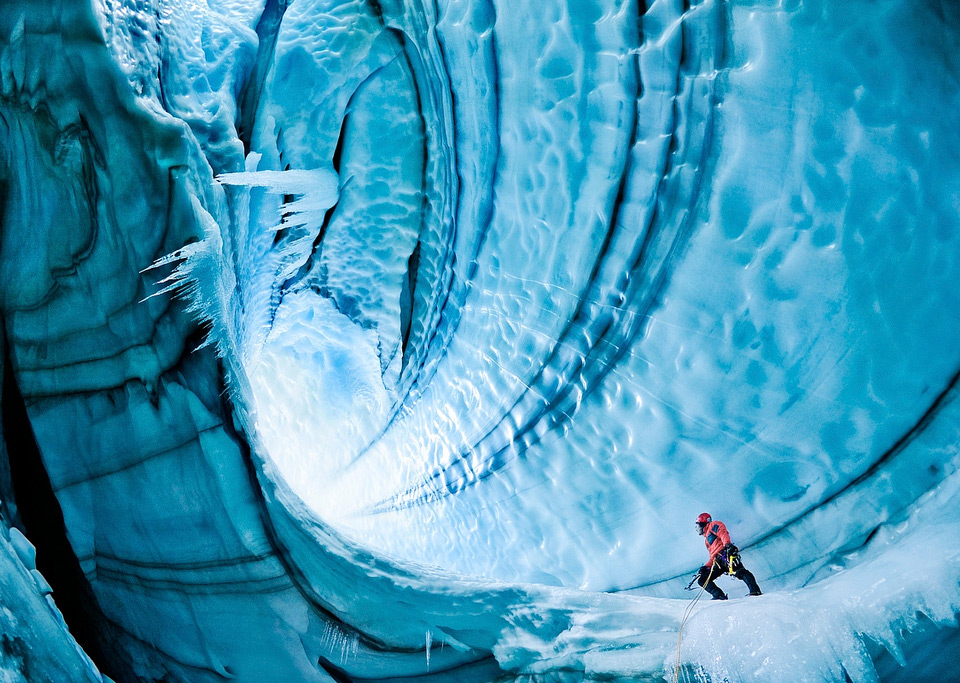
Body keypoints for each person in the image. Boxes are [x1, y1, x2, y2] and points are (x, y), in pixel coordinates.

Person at [694, 513, 762, 600]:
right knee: (702, 580)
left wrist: (728, 545)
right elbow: (712, 556)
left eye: (698, 526)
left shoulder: (713, 525)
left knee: (740, 572)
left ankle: (755, 591)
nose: (697, 529)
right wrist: (705, 567)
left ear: (703, 523)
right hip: (718, 561)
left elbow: (722, 533)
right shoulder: (707, 541)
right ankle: (719, 596)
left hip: (725, 554)